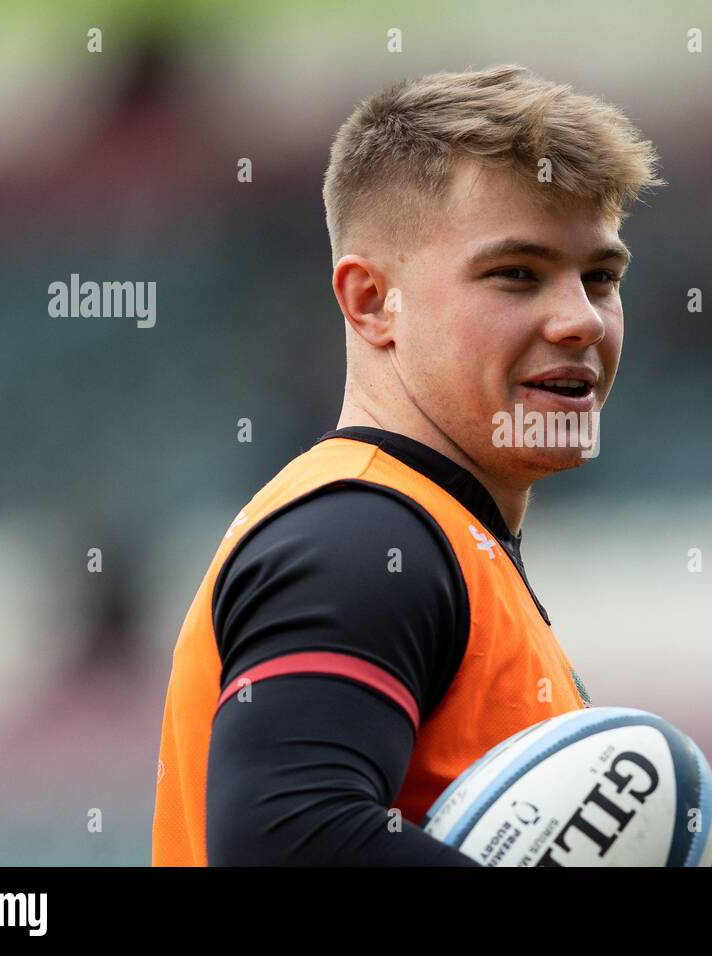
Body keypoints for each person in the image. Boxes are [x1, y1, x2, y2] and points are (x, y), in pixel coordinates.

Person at [152, 63, 662, 865]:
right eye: (516, 274)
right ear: (369, 302)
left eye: (600, 277)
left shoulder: (432, 534)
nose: (579, 320)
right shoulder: (361, 538)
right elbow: (287, 844)